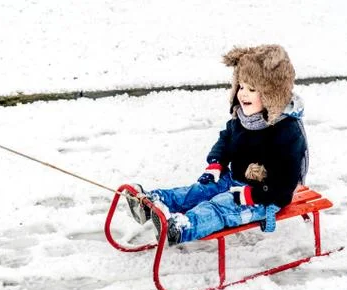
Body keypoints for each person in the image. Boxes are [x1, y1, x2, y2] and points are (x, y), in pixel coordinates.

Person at [126, 44, 308, 246]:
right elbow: (227, 138)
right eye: (241, 86)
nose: (243, 94)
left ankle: (181, 227)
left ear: (271, 93)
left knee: (220, 207)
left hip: (263, 197)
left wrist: (253, 194)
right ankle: (152, 203)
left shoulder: (286, 131)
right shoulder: (244, 117)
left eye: (251, 89)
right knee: (200, 191)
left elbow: (284, 184)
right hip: (233, 178)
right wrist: (216, 163)